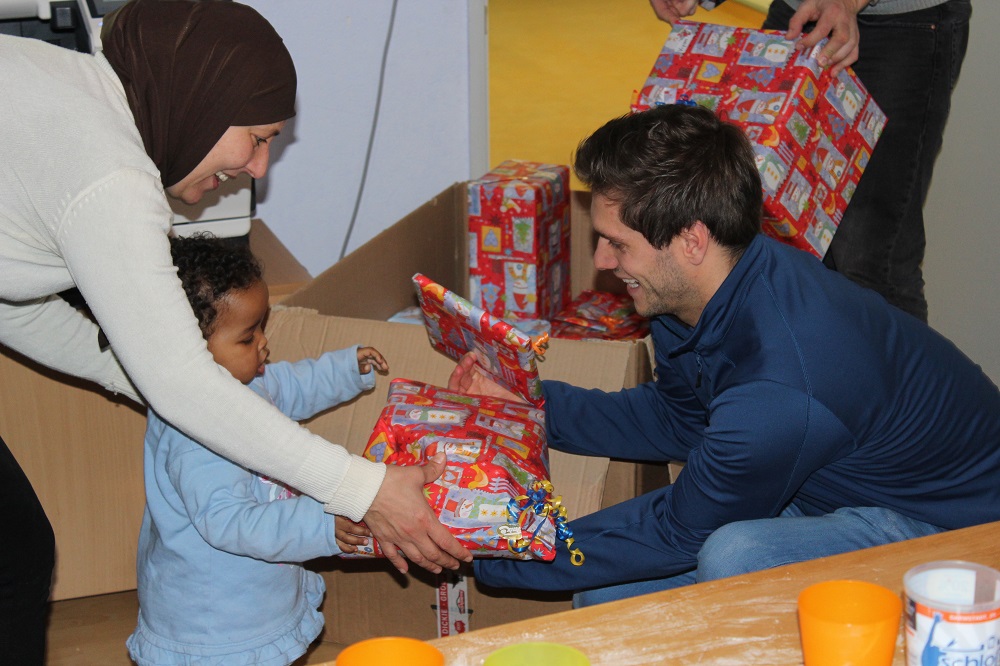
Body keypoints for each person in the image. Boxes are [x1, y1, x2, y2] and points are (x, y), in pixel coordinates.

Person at [0, 1, 468, 661]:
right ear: (203, 99)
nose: (260, 167)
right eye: (258, 136)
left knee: (14, 552)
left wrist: (138, 373)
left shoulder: (82, 112)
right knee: (13, 558)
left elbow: (11, 301)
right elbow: (184, 383)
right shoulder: (111, 177)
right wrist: (363, 488)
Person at [450, 104, 1000, 607]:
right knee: (603, 595)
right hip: (836, 486)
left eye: (618, 243)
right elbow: (677, 420)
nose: (601, 261)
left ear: (691, 241)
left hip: (956, 532)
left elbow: (678, 530)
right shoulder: (696, 294)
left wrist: (494, 546)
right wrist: (531, 407)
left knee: (735, 555)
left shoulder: (779, 385)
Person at [127, 235, 379, 665]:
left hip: (254, 591)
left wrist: (344, 370)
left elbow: (291, 385)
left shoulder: (246, 382)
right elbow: (231, 522)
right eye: (247, 338)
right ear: (189, 350)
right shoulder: (195, 437)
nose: (263, 344)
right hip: (216, 621)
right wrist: (320, 522)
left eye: (262, 326)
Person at [649, 0, 972, 323]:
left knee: (868, 262)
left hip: (897, 23)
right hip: (799, 12)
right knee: (762, 250)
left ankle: (886, 359)